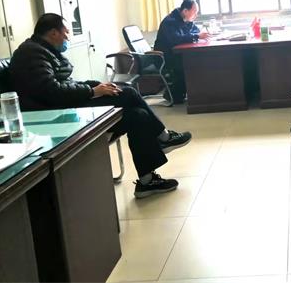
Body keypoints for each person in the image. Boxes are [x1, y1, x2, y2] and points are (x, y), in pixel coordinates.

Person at [10, 14, 192, 199]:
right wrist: (92, 91)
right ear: (53, 33)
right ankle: (163, 137)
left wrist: (95, 85)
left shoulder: (44, 50)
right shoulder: (32, 54)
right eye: (66, 32)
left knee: (138, 116)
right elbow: (52, 91)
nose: (67, 37)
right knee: (128, 93)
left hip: (67, 106)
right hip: (57, 116)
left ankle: (147, 182)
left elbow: (64, 84)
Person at [154, 0, 210, 103]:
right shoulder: (170, 22)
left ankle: (197, 93)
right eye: (194, 12)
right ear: (185, 11)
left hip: (177, 54)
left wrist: (198, 34)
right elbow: (176, 39)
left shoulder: (185, 19)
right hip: (165, 57)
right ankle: (176, 95)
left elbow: (195, 31)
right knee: (191, 63)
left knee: (198, 60)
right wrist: (196, 36)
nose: (196, 15)